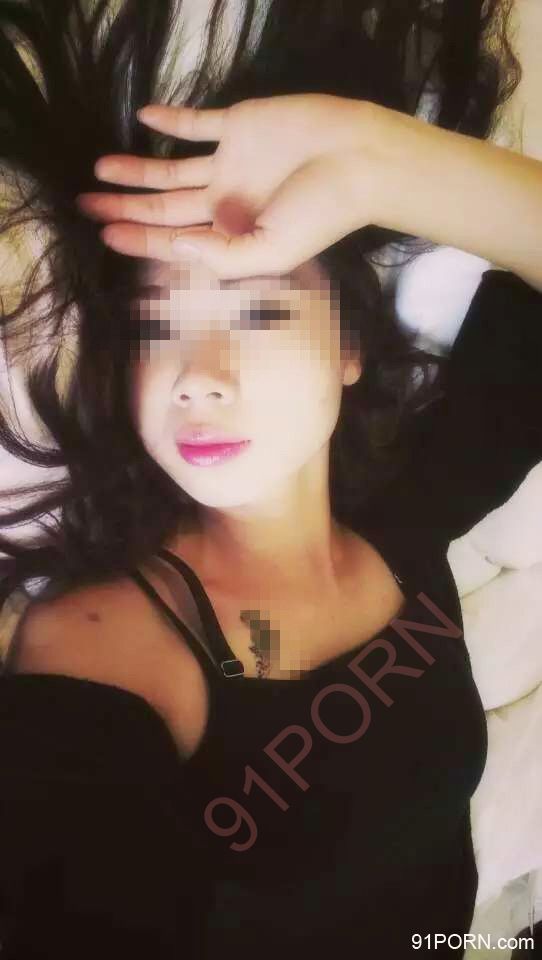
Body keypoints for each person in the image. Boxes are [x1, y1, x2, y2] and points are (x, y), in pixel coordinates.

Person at [0, 2, 541, 958]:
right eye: (154, 330)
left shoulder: (415, 504)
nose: (198, 376)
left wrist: (375, 163)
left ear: (350, 347)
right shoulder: (109, 649)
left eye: (258, 312)